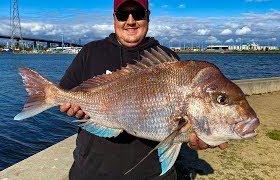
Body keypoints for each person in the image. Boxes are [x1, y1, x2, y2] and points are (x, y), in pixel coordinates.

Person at [59, 0, 228, 179]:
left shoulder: (170, 60)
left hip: (152, 174)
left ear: (148, 16)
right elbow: (64, 95)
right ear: (114, 17)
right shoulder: (90, 52)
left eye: (138, 14)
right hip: (91, 172)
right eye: (123, 14)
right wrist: (70, 106)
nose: (130, 21)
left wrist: (196, 137)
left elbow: (178, 125)